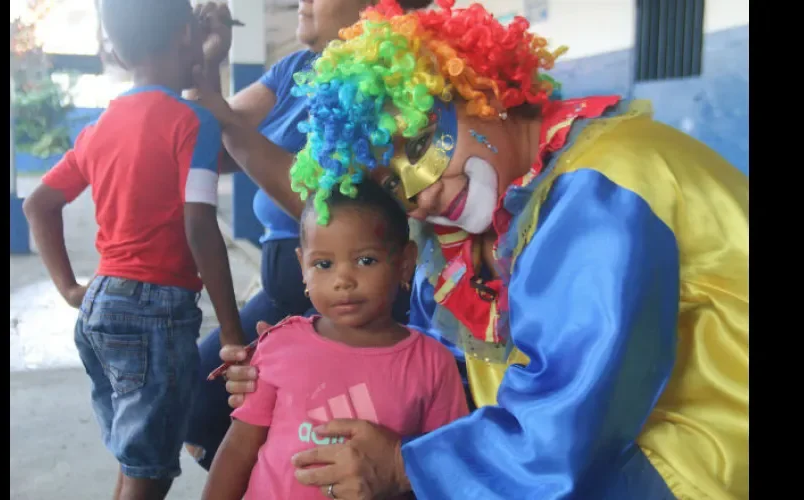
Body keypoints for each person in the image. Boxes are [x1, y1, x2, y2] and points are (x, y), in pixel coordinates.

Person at [199, 0, 749, 498]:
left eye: (419, 146)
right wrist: (295, 370)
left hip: (699, 466)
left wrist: (406, 467)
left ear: (480, 88)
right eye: (393, 184)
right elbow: (437, 365)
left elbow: (567, 433)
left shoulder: (607, 186)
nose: (417, 193)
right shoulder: (478, 227)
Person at [183, 0, 429, 469]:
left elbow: (329, 210)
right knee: (197, 399)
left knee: (234, 412)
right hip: (286, 291)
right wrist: (208, 61)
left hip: (348, 293)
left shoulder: (393, 77)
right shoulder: (294, 70)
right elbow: (211, 145)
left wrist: (227, 121)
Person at [23, 1, 246, 498]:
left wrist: (70, 289)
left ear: (116, 51)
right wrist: (232, 332)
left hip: (101, 309)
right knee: (149, 474)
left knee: (136, 460)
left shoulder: (100, 127)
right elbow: (200, 228)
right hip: (156, 316)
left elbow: (39, 204)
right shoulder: (192, 122)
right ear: (188, 35)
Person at [201, 180, 469, 500]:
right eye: (323, 264)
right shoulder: (280, 344)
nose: (343, 280)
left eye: (365, 260)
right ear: (302, 266)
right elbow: (239, 449)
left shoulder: (432, 364)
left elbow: (449, 468)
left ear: (405, 261)